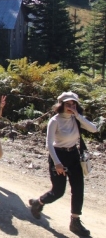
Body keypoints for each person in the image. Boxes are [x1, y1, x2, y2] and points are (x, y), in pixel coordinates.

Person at [28, 92, 97, 237]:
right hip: (58, 155)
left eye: (73, 104)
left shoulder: (75, 119)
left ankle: (75, 221)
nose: (71, 107)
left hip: (73, 155)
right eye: (68, 104)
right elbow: (49, 144)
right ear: (61, 105)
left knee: (78, 189)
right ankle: (38, 202)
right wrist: (57, 163)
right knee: (58, 191)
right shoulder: (55, 120)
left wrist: (78, 115)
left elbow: (94, 129)